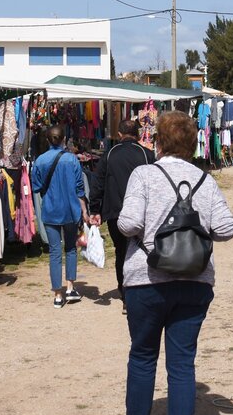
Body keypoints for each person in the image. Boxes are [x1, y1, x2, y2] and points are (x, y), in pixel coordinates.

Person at [117, 110, 233, 415]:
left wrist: (148, 233)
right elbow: (228, 228)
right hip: (195, 281)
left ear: (158, 141)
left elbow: (128, 223)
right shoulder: (205, 179)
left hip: (146, 280)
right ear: (191, 142)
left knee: (142, 356)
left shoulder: (144, 174)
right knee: (182, 365)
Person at [88, 119, 157, 307]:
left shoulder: (110, 154)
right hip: (142, 212)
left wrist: (95, 209)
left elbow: (97, 183)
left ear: (119, 134)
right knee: (142, 251)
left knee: (121, 252)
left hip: (115, 213)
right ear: (138, 134)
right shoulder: (147, 154)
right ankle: (139, 290)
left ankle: (126, 293)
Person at [32, 125, 91, 307]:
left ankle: (57, 294)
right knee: (71, 249)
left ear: (48, 140)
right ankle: (70, 287)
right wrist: (84, 210)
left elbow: (36, 185)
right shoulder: (72, 160)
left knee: (55, 252)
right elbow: (80, 187)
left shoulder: (40, 161)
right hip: (70, 210)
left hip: (50, 209)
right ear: (64, 139)